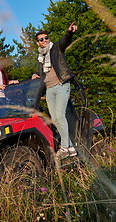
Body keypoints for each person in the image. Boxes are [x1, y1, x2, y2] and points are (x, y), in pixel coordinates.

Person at [32, 22, 78, 160]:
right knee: (55, 118)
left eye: (46, 38)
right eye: (41, 39)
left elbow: (65, 41)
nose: (45, 40)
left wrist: (69, 32)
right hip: (49, 90)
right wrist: (35, 74)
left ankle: (66, 147)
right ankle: (69, 147)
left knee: (59, 114)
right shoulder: (40, 58)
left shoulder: (56, 48)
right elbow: (40, 73)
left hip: (61, 85)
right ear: (37, 43)